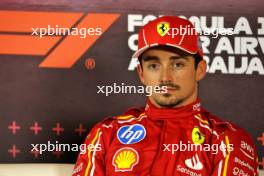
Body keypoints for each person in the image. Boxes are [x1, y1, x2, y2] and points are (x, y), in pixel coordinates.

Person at [72, 16, 259, 176]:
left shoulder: (227, 140)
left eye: (177, 64)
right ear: (142, 73)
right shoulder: (105, 134)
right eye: (154, 65)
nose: (165, 78)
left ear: (200, 70)